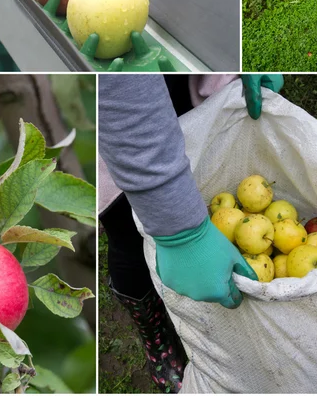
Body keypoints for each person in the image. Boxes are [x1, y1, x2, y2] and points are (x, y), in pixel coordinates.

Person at [98, 74, 284, 392]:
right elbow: (115, 83)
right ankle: (154, 331)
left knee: (200, 175)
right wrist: (180, 232)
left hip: (184, 80)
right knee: (128, 237)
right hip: (117, 123)